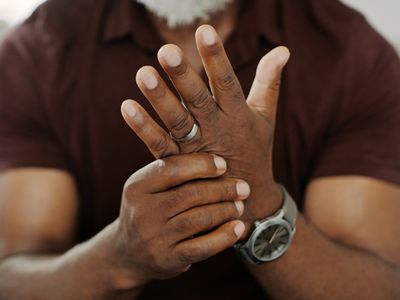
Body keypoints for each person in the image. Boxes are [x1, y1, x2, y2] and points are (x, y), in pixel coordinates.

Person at [0, 0, 399, 299]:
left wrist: (260, 206)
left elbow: (380, 286)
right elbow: (12, 277)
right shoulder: (38, 51)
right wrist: (117, 257)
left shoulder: (350, 52)